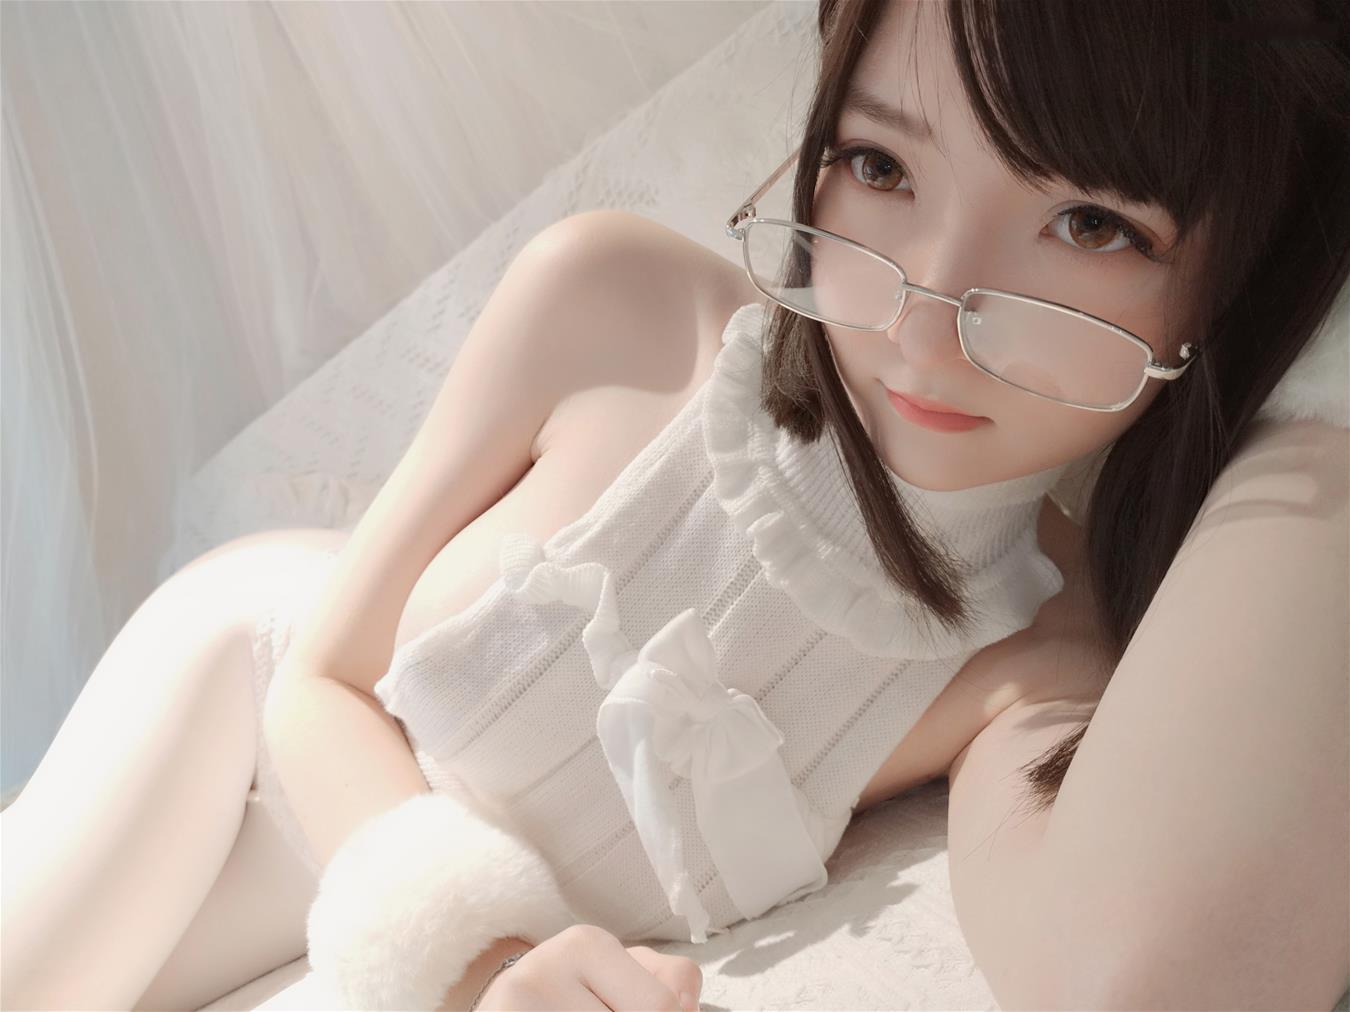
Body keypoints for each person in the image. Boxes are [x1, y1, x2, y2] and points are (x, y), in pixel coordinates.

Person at [3, 0, 1347, 1009]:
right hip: (244, 690)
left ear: (1232, 284)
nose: (927, 318)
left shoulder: (1039, 655)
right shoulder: (618, 303)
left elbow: (1113, 972)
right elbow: (316, 680)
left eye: (1089, 225)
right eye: (882, 167)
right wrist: (481, 962)